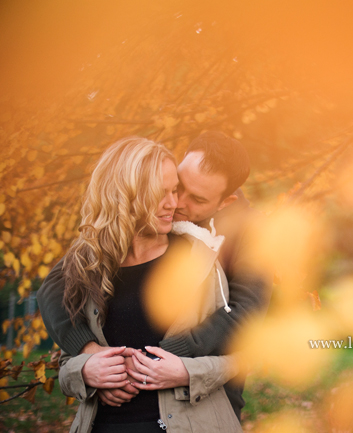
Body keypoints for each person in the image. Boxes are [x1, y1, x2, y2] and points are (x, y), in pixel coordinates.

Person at [38, 132, 271, 420]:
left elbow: (245, 312)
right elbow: (54, 287)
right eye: (176, 187)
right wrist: (92, 351)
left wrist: (170, 353)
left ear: (225, 202)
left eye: (196, 198)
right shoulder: (149, 216)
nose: (177, 203)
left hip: (204, 397)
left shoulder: (251, 234)